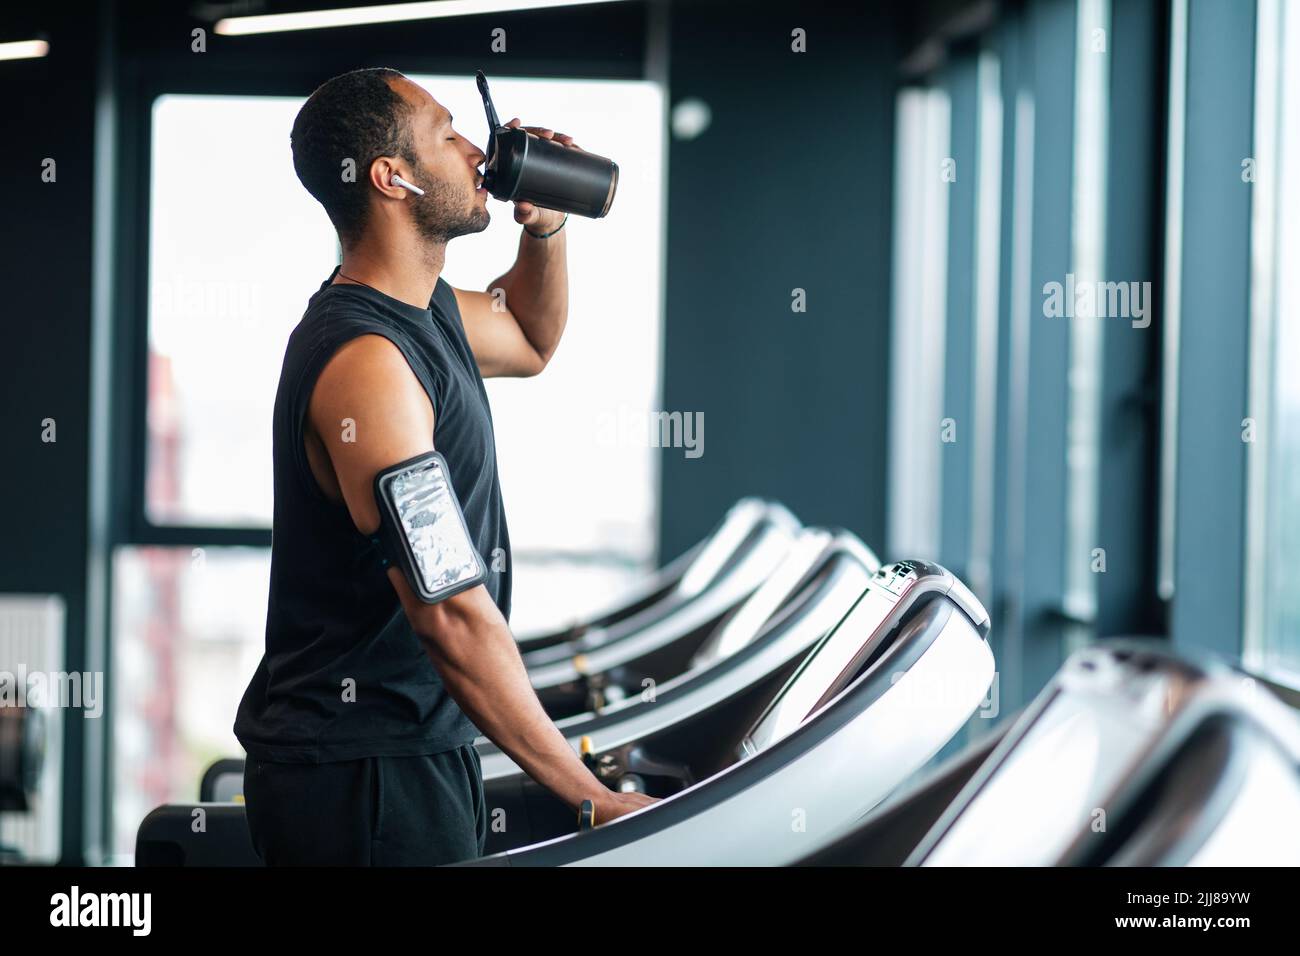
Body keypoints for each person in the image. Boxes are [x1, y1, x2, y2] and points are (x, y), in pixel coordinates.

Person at [233, 67, 654, 865]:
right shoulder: (368, 364)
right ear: (392, 178)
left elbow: (529, 338)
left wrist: (544, 228)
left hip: (415, 745)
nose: (475, 149)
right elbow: (449, 609)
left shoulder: (426, 310)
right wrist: (590, 796)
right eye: (448, 132)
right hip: (360, 774)